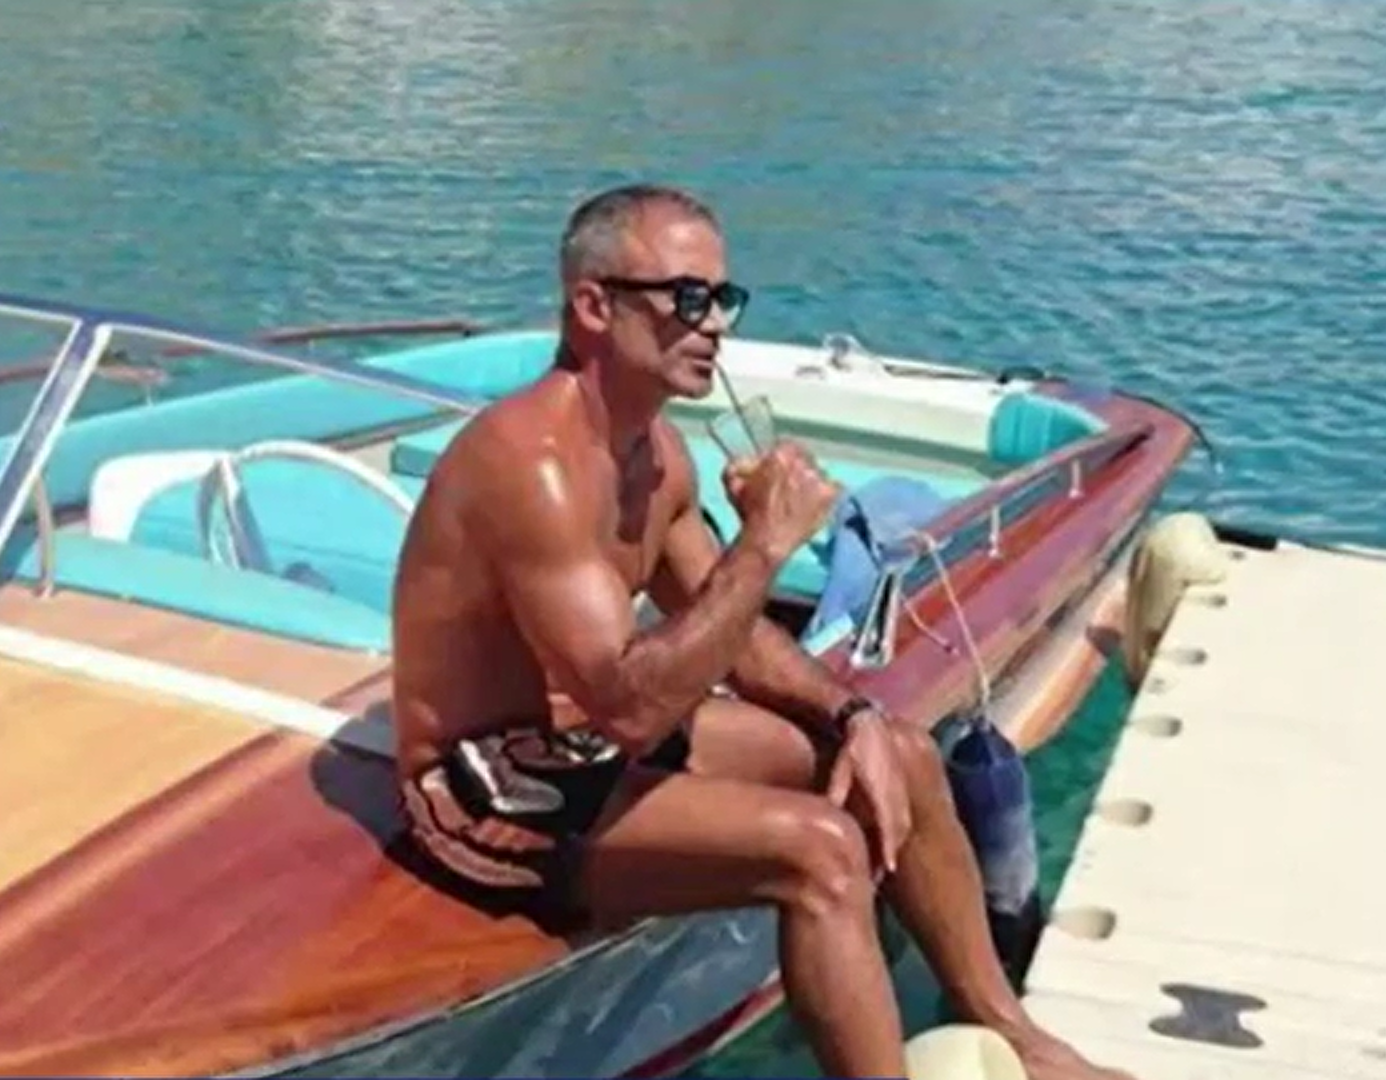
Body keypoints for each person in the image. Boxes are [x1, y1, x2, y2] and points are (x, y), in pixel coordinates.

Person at [388, 182, 1132, 1080]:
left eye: (722, 299)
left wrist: (854, 717)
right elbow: (628, 708)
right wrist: (767, 541)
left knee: (902, 754)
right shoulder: (532, 467)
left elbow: (735, 639)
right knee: (818, 852)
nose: (714, 325)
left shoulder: (656, 455)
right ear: (593, 307)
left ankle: (1005, 1027)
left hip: (586, 743)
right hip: (485, 784)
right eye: (686, 298)